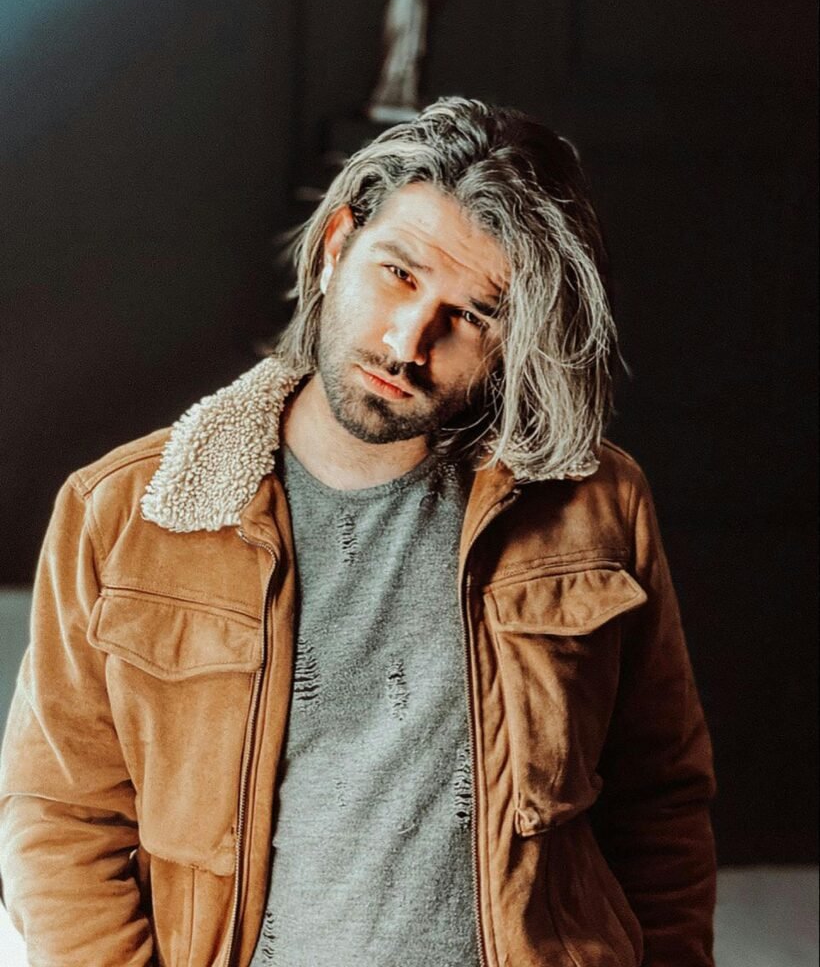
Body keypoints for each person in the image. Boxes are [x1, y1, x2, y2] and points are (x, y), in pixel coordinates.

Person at [0, 97, 717, 967]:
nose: (410, 341)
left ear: (512, 341)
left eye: (474, 315)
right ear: (340, 243)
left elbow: (661, 803)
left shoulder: (596, 503)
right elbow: (62, 815)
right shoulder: (121, 514)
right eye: (400, 274)